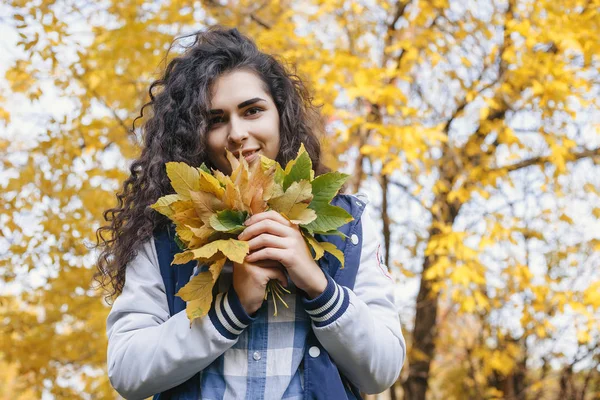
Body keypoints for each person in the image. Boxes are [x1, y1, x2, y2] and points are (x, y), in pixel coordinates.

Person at [96, 26, 405, 400]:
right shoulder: (166, 232)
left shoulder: (346, 222)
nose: (237, 132)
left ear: (280, 115)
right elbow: (127, 370)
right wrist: (231, 309)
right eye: (215, 120)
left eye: (252, 110)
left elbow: (382, 371)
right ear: (192, 134)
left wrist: (316, 283)